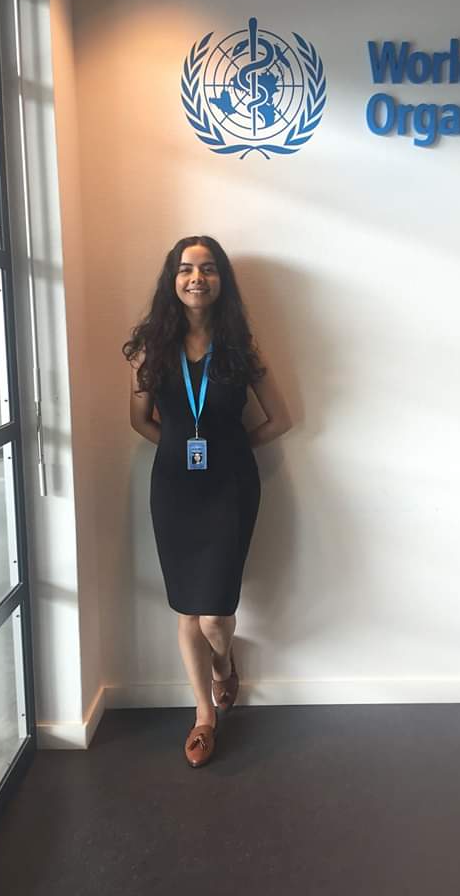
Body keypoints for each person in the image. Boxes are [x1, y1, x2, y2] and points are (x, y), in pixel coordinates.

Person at [123, 235, 291, 767]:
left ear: (222, 281)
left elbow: (280, 419)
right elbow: (139, 420)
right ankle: (203, 716)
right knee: (186, 610)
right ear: (172, 281)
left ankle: (223, 663)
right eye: (186, 269)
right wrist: (181, 448)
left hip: (231, 489)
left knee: (215, 615)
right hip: (174, 490)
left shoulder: (241, 348)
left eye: (209, 268)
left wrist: (230, 452)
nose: (197, 277)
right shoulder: (152, 347)